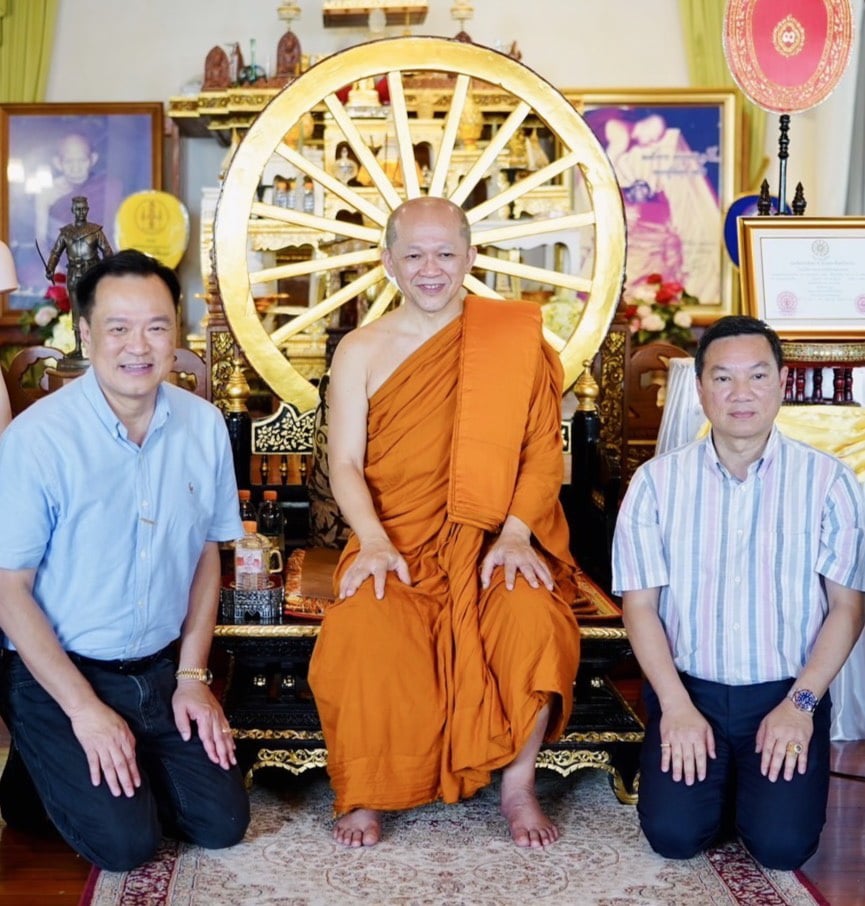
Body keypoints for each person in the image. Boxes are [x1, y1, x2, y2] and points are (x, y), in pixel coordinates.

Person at [308, 196, 581, 849]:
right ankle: (367, 789)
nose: (430, 270)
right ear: (388, 261)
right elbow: (344, 462)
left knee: (530, 618)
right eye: (414, 255)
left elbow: (542, 455)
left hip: (493, 538)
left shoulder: (512, 340)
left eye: (445, 254)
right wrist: (374, 542)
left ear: (470, 257)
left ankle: (517, 785)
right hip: (393, 540)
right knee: (364, 626)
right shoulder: (361, 350)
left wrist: (515, 533)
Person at [0, 249, 250, 870]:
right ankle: (44, 756)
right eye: (118, 328)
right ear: (86, 334)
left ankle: (79, 762)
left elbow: (206, 557)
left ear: (176, 334)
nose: (139, 346)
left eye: (157, 327)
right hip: (59, 670)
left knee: (222, 824)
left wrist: (193, 678)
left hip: (157, 669)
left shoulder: (204, 426)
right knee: (126, 846)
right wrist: (85, 711)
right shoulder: (37, 439)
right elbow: (7, 589)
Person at [612, 315, 865, 870]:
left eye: (757, 375)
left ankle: (747, 787)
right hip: (690, 690)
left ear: (782, 383)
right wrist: (674, 705)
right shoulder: (655, 483)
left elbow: (847, 608)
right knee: (674, 837)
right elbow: (640, 607)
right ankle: (723, 783)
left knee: (783, 848)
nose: (741, 393)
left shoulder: (829, 482)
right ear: (701, 388)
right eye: (723, 378)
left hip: (785, 693)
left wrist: (800, 706)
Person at [45, 196, 114, 359]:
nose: (81, 212)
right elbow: (55, 252)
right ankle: (77, 348)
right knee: (76, 311)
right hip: (74, 274)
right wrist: (50, 267)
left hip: (92, 275)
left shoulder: (95, 231)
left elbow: (107, 251)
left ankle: (96, 347)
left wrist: (109, 271)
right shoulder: (66, 233)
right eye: (78, 209)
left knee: (94, 310)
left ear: (88, 210)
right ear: (72, 210)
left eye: (84, 209)